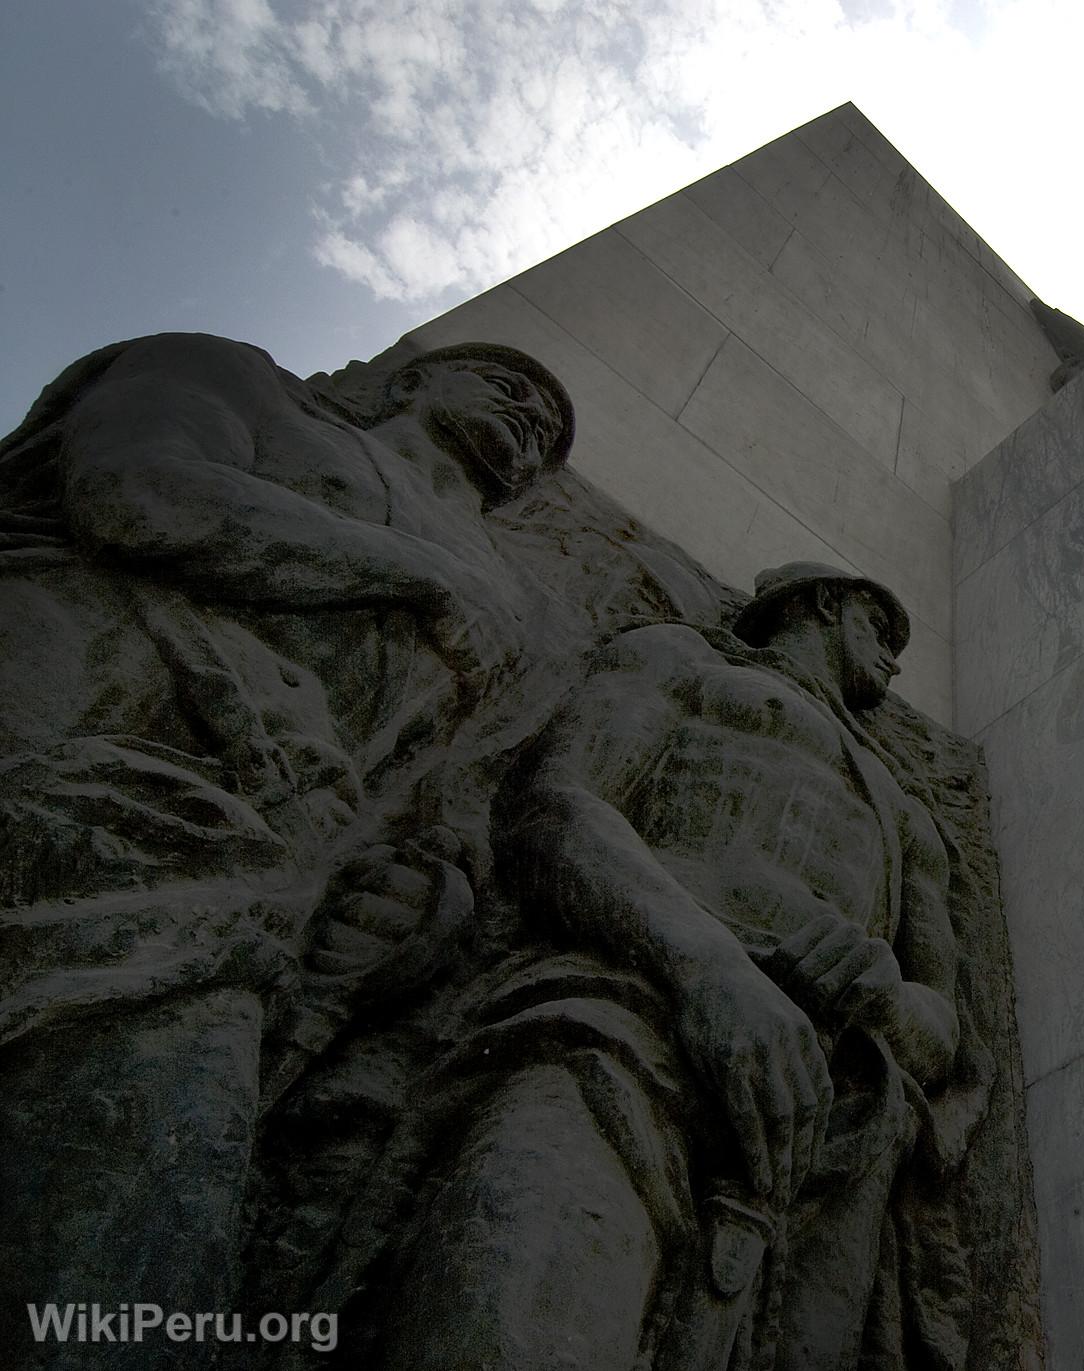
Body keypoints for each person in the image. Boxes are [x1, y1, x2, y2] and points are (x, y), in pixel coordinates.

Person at [0, 332, 574, 1361]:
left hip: (236, 875)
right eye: (507, 382)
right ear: (410, 377)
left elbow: (441, 799)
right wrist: (424, 576)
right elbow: (136, 492)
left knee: (137, 1251)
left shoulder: (516, 610)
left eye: (549, 430)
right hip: (54, 710)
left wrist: (427, 899)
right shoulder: (239, 380)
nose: (531, 417)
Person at [364, 563, 970, 1371]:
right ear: (824, 602)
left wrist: (883, 997)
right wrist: (709, 968)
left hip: (814, 1135)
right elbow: (555, 804)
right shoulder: (680, 658)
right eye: (879, 628)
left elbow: (941, 1024)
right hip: (618, 1023)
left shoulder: (906, 810)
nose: (895, 659)